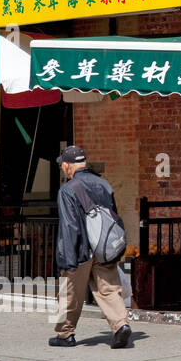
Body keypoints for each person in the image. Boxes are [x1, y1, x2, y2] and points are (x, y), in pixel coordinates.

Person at [49, 146, 131, 349]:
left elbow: (69, 226)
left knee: (70, 293)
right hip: (104, 247)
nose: (63, 169)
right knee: (109, 289)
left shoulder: (67, 190)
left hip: (81, 250)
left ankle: (65, 334)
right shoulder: (104, 184)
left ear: (68, 166)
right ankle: (121, 326)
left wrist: (68, 259)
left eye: (63, 165)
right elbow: (113, 215)